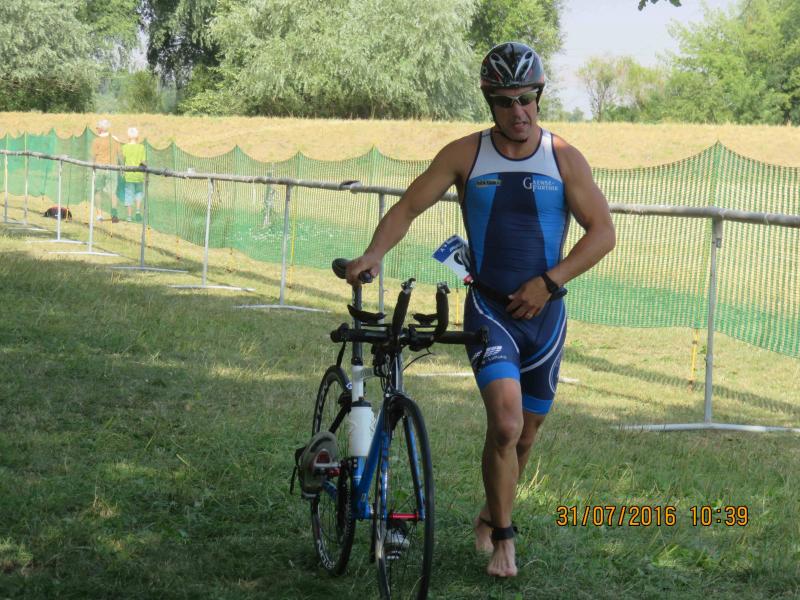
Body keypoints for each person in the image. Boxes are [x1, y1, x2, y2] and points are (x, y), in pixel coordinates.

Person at [345, 42, 616, 578]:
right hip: (490, 311)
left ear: (539, 97)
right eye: (506, 101)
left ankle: (492, 513)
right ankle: (504, 542)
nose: (519, 111)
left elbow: (603, 233)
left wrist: (549, 283)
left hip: (546, 318)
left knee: (526, 435)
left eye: (527, 99)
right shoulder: (465, 154)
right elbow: (408, 207)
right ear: (490, 103)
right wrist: (374, 253)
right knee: (506, 425)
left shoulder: (563, 156)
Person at [90, 119, 122, 223]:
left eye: (98, 128)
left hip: (100, 168)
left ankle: (99, 215)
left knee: (97, 191)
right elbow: (120, 155)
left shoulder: (96, 141)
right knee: (112, 192)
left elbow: (93, 156)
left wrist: (92, 166)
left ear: (101, 129)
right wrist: (122, 168)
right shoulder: (115, 140)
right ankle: (114, 213)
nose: (97, 129)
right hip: (113, 169)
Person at [120, 127, 146, 222]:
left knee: (129, 194)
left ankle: (129, 216)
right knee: (139, 193)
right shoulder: (142, 147)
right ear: (137, 137)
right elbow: (143, 161)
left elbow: (122, 161)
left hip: (129, 176)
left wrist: (122, 171)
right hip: (139, 175)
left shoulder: (124, 147)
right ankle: (138, 211)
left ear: (128, 137)